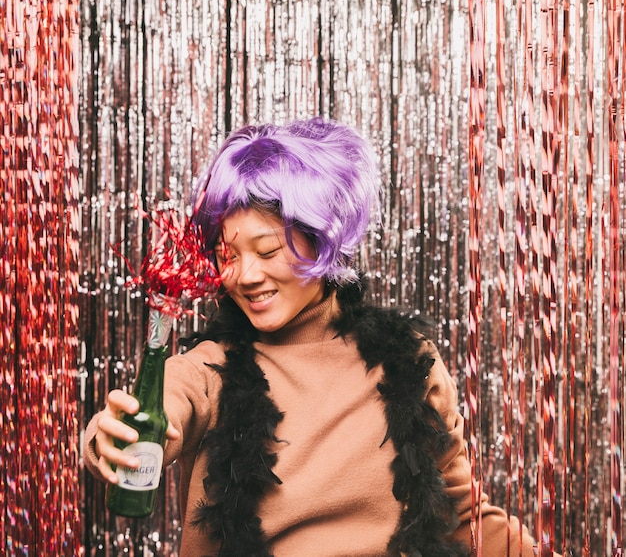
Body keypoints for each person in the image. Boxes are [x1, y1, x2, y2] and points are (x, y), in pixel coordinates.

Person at [84, 118, 553, 556]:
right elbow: (163, 407)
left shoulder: (408, 361)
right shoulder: (209, 370)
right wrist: (114, 436)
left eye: (268, 249)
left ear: (321, 236)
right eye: (226, 255)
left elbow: (460, 513)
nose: (245, 275)